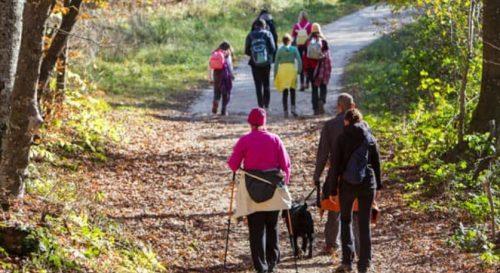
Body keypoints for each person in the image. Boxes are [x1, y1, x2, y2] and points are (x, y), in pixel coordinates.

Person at [228, 108, 291, 273]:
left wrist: (243, 167)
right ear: (264, 122)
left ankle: (260, 267)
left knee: (256, 230)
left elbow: (233, 165)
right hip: (273, 190)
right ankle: (272, 263)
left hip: (252, 190)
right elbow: (286, 165)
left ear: (250, 122)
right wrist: (286, 183)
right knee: (273, 227)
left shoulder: (245, 140)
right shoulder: (275, 139)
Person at [326, 108, 382, 273]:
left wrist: (332, 190)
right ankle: (364, 264)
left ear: (346, 121)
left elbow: (335, 165)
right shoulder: (369, 137)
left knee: (345, 221)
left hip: (347, 185)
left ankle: (347, 262)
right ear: (360, 120)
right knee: (364, 224)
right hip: (367, 184)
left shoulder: (341, 138)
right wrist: (378, 185)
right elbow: (376, 162)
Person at [313, 93, 355, 255]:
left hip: (336, 173)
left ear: (339, 106)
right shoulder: (362, 125)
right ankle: (353, 246)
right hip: (357, 174)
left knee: (334, 208)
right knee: (355, 210)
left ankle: (331, 244)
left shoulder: (330, 125)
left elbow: (322, 154)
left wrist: (317, 176)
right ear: (353, 106)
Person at [246, 19, 276, 110]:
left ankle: (260, 106)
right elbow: (273, 48)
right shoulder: (268, 34)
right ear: (264, 25)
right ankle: (267, 106)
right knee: (266, 84)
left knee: (258, 85)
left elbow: (246, 51)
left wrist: (254, 55)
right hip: (266, 63)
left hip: (254, 64)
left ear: (255, 25)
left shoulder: (250, 35)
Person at [302, 23, 332, 115]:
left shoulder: (307, 41)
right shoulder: (323, 41)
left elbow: (304, 57)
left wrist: (305, 69)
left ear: (311, 30)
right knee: (323, 86)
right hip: (321, 68)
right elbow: (327, 56)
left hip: (311, 69)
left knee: (314, 88)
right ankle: (322, 101)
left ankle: (315, 108)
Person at [274, 34, 302, 118]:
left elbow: (276, 63)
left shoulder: (279, 50)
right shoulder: (294, 49)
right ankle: (293, 109)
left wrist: (275, 74)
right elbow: (299, 60)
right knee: (293, 90)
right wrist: (299, 70)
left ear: (282, 41)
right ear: (290, 41)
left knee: (285, 91)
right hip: (291, 70)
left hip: (283, 70)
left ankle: (285, 110)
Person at [208, 41, 234, 115]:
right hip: (225, 75)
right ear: (228, 48)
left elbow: (209, 67)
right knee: (225, 93)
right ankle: (223, 110)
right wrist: (232, 75)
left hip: (216, 74)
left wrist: (210, 78)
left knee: (217, 92)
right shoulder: (227, 54)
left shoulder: (214, 53)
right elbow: (229, 65)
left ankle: (216, 101)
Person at [291, 10, 312, 91]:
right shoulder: (309, 25)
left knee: (301, 64)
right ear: (306, 17)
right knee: (308, 64)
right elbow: (312, 35)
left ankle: (302, 84)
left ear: (299, 17)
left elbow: (293, 36)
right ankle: (307, 82)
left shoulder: (296, 25)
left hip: (299, 47)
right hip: (308, 46)